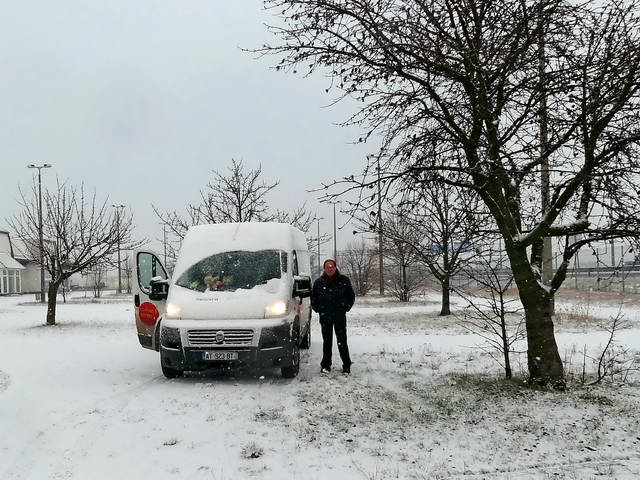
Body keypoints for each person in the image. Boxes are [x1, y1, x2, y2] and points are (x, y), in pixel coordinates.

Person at [311, 259, 355, 374]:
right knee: (327, 342)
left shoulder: (344, 280)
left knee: (342, 341)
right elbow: (313, 298)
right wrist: (318, 309)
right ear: (324, 269)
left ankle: (346, 365)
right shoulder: (318, 283)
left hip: (339, 317)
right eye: (327, 267)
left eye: (331, 266)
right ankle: (326, 365)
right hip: (325, 317)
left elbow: (351, 296)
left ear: (335, 268)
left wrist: (345, 308)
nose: (329, 269)